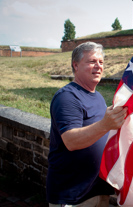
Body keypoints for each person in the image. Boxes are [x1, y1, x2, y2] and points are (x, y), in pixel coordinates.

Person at [46, 42, 127, 207]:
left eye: (101, 62)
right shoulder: (67, 97)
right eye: (92, 61)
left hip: (98, 190)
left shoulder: (96, 96)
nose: (98, 66)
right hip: (73, 196)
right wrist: (106, 124)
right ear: (75, 65)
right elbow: (71, 141)